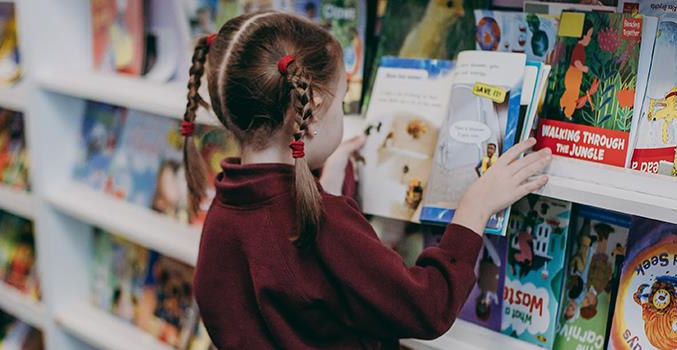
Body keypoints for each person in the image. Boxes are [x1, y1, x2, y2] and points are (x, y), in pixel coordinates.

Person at [186, 12, 552, 348]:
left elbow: (288, 277)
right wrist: (475, 209)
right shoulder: (323, 225)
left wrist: (325, 189)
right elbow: (428, 306)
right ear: (310, 112)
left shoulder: (223, 213)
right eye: (342, 103)